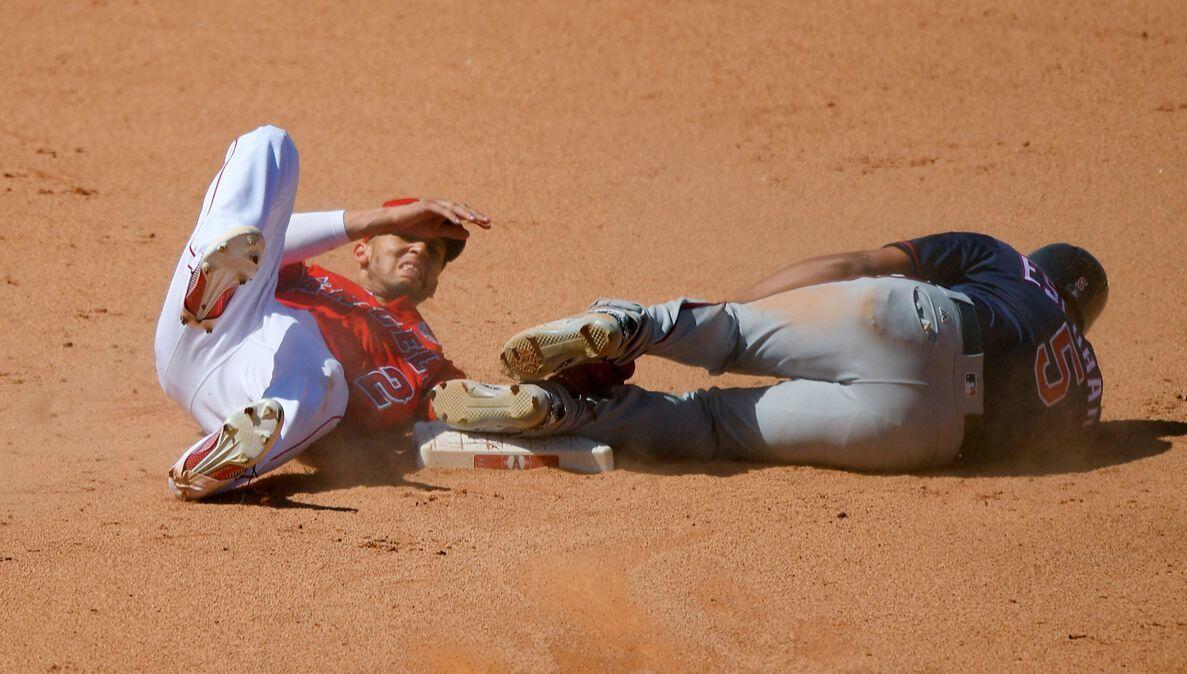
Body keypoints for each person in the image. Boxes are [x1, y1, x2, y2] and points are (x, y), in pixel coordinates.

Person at [427, 233, 1107, 471]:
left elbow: (853, 261)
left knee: (732, 334)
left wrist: (744, 311)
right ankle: (554, 412)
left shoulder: (1009, 263)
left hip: (922, 321)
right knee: (711, 429)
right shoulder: (1087, 390)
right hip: (918, 434)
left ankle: (628, 326)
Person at [154, 125, 490, 500]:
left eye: (434, 252)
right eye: (407, 236)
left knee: (327, 378)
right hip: (206, 321)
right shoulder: (307, 274)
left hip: (252, 385)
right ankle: (212, 278)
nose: (419, 251)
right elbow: (272, 240)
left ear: (435, 283)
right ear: (362, 250)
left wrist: (555, 398)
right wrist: (384, 219)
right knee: (272, 143)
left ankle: (203, 466)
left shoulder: (425, 355)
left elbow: (468, 405)